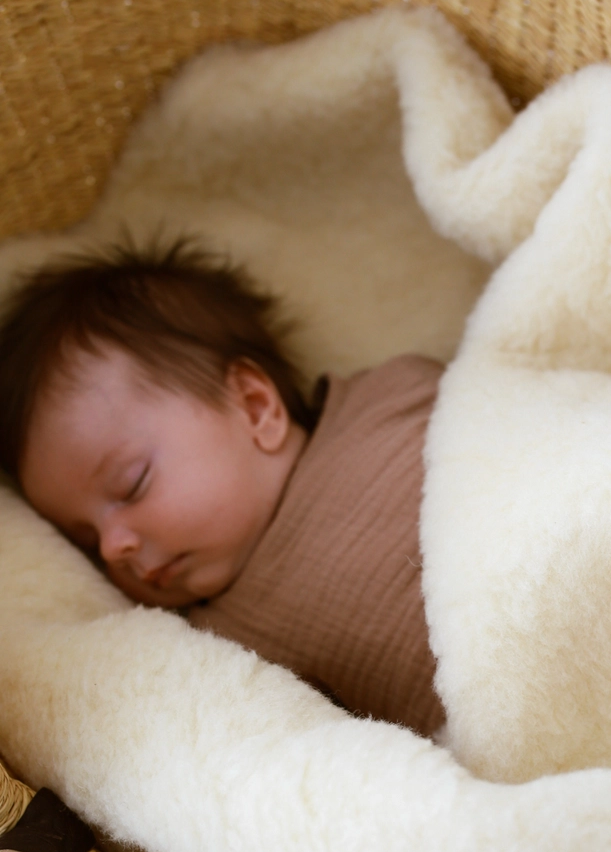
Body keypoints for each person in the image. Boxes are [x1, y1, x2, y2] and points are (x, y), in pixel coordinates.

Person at [0, 242, 445, 737]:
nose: (112, 548)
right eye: (87, 541)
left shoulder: (393, 398)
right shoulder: (223, 647)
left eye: (131, 485)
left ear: (255, 407)